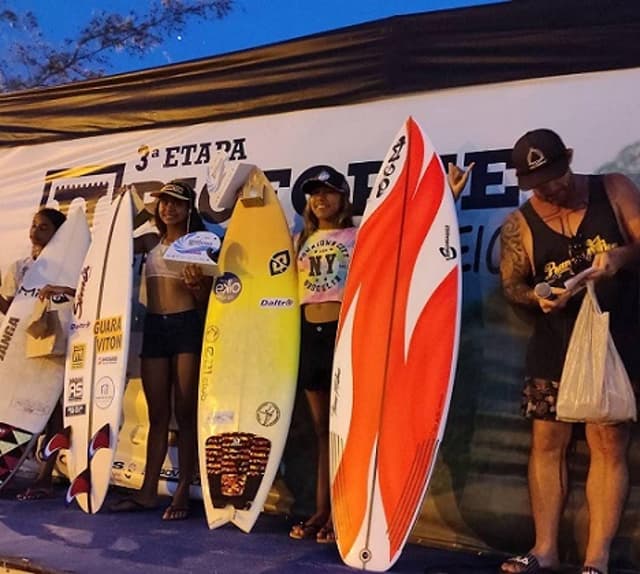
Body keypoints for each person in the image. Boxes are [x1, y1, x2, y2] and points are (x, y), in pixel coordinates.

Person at [288, 163, 473, 544]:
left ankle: (346, 513)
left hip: (348, 337)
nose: (320, 198)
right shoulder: (299, 240)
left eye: (328, 191)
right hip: (309, 336)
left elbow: (406, 249)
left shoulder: (360, 234)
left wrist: (447, 197)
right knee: (323, 431)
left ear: (343, 197)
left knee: (351, 428)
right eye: (313, 193)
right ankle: (323, 508)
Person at [499, 129, 640, 574]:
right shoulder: (518, 223)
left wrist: (619, 257)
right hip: (554, 341)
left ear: (570, 159)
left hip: (615, 338)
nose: (553, 189)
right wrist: (536, 299)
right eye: (540, 185)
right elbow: (512, 284)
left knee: (608, 441)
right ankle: (544, 550)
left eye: (557, 178)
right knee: (547, 442)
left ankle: (595, 561)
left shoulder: (613, 188)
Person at [110, 180, 211, 521]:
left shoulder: (201, 243)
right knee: (157, 415)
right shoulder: (151, 242)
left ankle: (182, 489)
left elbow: (206, 300)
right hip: (154, 327)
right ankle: (147, 491)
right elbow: (114, 249)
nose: (168, 208)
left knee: (184, 412)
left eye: (176, 204)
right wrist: (125, 201)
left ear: (188, 210)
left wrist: (197, 288)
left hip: (186, 326)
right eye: (164, 202)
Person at [0, 207, 74, 500]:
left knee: (54, 412)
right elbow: (11, 313)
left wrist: (59, 288)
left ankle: (46, 475)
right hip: (24, 346)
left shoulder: (71, 266)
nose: (36, 230)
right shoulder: (19, 267)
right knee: (19, 409)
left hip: (56, 344)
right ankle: (10, 464)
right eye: (34, 225)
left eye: (44, 227)